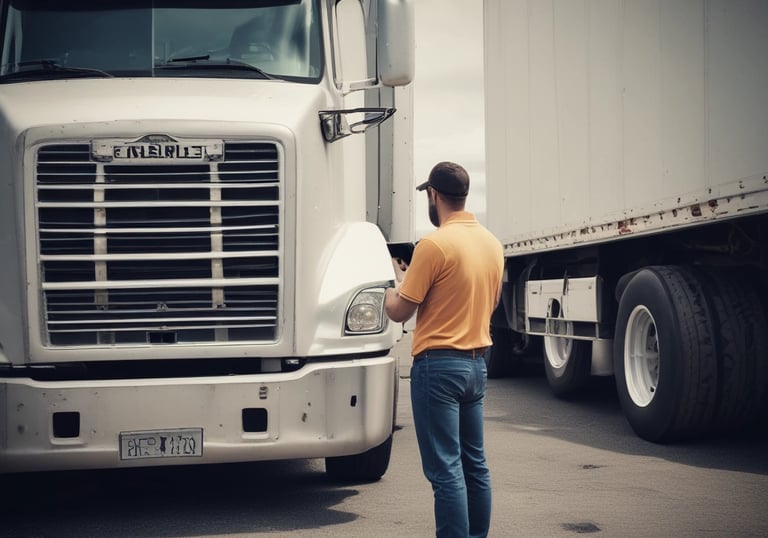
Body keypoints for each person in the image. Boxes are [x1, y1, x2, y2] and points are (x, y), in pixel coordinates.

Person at [385, 161, 504, 538]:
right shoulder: (491, 243)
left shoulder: (433, 245)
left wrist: (392, 287)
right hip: (475, 367)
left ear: (434, 196)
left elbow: (401, 309)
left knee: (445, 470)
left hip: (438, 367)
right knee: (474, 465)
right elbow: (491, 302)